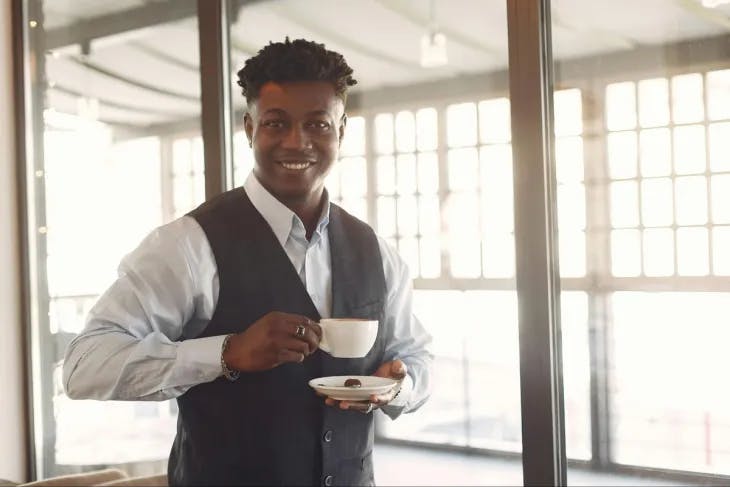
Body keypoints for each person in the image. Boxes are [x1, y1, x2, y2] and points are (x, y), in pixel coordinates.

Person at [63, 38, 432, 486]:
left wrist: (398, 384)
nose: (298, 142)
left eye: (318, 124)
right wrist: (226, 352)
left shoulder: (375, 250)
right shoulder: (188, 245)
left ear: (341, 131)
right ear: (249, 128)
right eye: (277, 123)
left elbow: (415, 354)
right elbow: (84, 365)